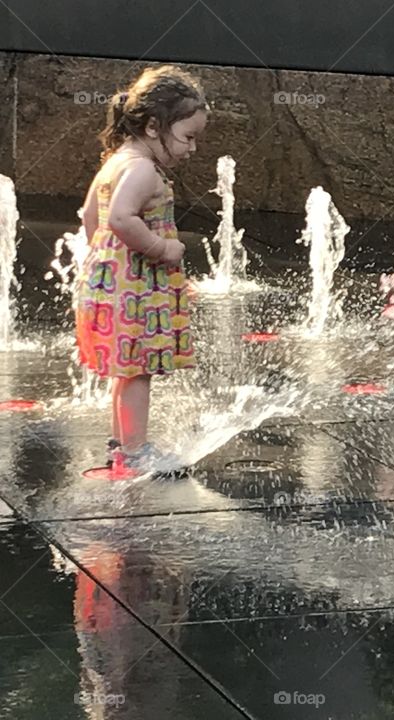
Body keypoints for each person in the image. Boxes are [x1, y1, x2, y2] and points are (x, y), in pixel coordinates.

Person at [75, 65, 208, 471]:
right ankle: (135, 453)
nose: (192, 148)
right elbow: (120, 217)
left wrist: (104, 265)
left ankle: (122, 445)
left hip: (113, 287)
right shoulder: (142, 169)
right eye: (187, 137)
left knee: (127, 372)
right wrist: (159, 248)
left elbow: (88, 217)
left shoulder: (117, 160)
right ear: (153, 126)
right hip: (131, 293)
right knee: (139, 372)